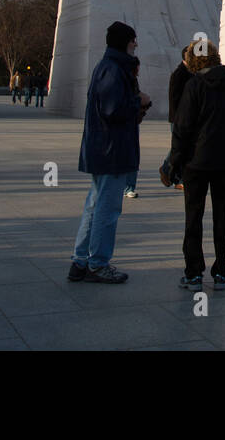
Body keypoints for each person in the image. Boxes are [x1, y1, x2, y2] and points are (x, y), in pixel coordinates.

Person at [162, 41, 225, 292]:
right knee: (222, 218)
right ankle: (221, 272)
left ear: (194, 61)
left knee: (193, 218)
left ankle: (194, 274)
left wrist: (175, 162)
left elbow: (182, 129)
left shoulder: (194, 85)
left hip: (196, 164)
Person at [69, 21, 143, 284]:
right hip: (112, 150)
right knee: (107, 209)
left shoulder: (107, 67)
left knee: (94, 205)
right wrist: (138, 103)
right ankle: (97, 263)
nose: (136, 44)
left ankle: (80, 261)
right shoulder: (113, 69)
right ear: (125, 41)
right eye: (133, 39)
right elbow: (114, 110)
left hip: (103, 149)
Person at [123, 56, 153, 200]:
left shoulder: (132, 80)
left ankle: (129, 186)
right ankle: (127, 186)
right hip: (126, 122)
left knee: (133, 154)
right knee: (129, 154)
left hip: (132, 122)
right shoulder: (125, 80)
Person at [166, 44, 194, 190]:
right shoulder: (179, 74)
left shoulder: (191, 73)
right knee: (180, 148)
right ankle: (179, 179)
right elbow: (174, 98)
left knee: (180, 147)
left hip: (187, 118)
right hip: (179, 118)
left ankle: (166, 169)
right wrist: (178, 118)